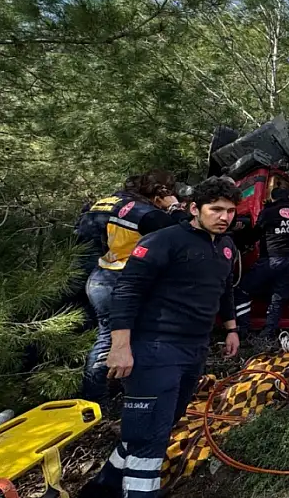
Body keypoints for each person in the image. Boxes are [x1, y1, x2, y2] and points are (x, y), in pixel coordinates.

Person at [78, 177, 242, 498]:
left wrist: (232, 329)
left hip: (194, 349)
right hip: (155, 348)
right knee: (149, 439)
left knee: (156, 426)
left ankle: (99, 491)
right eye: (216, 209)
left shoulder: (225, 246)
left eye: (231, 211)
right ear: (194, 208)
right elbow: (126, 292)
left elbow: (224, 290)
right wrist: (120, 347)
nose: (224, 217)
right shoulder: (162, 241)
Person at [81, 170, 191, 404]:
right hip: (120, 282)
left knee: (108, 336)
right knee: (116, 339)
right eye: (167, 192)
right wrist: (174, 208)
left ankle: (103, 394)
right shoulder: (141, 212)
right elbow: (184, 232)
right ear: (159, 193)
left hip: (98, 275)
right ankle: (99, 400)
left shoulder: (106, 203)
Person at [233, 175, 289, 339]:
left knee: (242, 290)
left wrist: (238, 238)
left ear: (272, 197)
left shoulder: (268, 213)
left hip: (270, 261)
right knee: (277, 297)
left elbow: (254, 234)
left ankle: (243, 329)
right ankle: (269, 332)